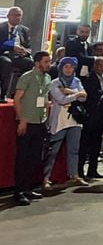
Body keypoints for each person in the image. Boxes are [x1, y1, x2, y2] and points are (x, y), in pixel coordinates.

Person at [12, 51, 52, 205]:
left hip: (40, 121)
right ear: (37, 63)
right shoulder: (27, 77)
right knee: (22, 157)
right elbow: (17, 99)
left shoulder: (47, 78)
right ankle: (18, 191)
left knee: (34, 157)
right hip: (27, 121)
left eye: (49, 61)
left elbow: (45, 98)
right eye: (46, 61)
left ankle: (27, 188)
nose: (48, 64)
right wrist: (22, 120)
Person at [43, 56, 87, 187]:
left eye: (71, 67)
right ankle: (46, 178)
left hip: (75, 121)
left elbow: (84, 98)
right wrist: (77, 94)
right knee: (53, 151)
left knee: (74, 149)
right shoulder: (54, 83)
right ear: (61, 68)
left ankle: (74, 175)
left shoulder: (77, 80)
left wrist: (70, 92)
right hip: (59, 121)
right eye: (66, 66)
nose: (68, 69)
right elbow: (61, 100)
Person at [80, 56, 103, 179]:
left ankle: (92, 170)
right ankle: (80, 171)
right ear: (94, 66)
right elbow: (92, 94)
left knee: (96, 145)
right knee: (85, 145)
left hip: (101, 116)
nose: (100, 67)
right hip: (90, 115)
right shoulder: (88, 78)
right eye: (98, 65)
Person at [1, 6, 33, 102]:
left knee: (32, 63)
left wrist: (25, 51)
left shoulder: (25, 30)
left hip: (18, 56)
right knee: (7, 63)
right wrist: (12, 48)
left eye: (19, 15)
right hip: (3, 54)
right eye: (14, 15)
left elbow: (29, 47)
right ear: (8, 16)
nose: (17, 17)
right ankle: (3, 93)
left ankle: (20, 93)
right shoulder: (1, 28)